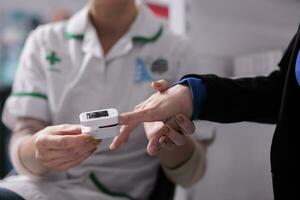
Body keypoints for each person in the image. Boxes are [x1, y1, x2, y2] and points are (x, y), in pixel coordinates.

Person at [0, 0, 210, 199]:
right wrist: (39, 150)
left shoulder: (177, 52)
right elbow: (24, 133)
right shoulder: (44, 41)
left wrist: (169, 136)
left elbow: (191, 176)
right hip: (32, 189)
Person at [111, 24, 300, 199]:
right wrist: (192, 95)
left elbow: (191, 172)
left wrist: (172, 131)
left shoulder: (177, 48)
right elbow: (284, 91)